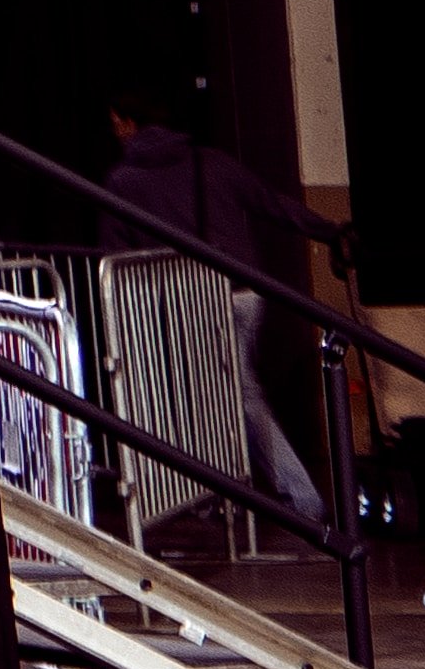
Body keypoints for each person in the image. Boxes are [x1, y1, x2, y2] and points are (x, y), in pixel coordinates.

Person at [104, 84, 331, 523]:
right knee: (235, 393)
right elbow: (274, 204)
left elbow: (115, 254)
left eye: (116, 126)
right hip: (244, 292)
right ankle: (238, 495)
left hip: (187, 296)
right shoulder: (210, 163)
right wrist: (329, 231)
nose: (116, 136)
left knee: (208, 398)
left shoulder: (124, 181)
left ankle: (289, 498)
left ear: (130, 125)